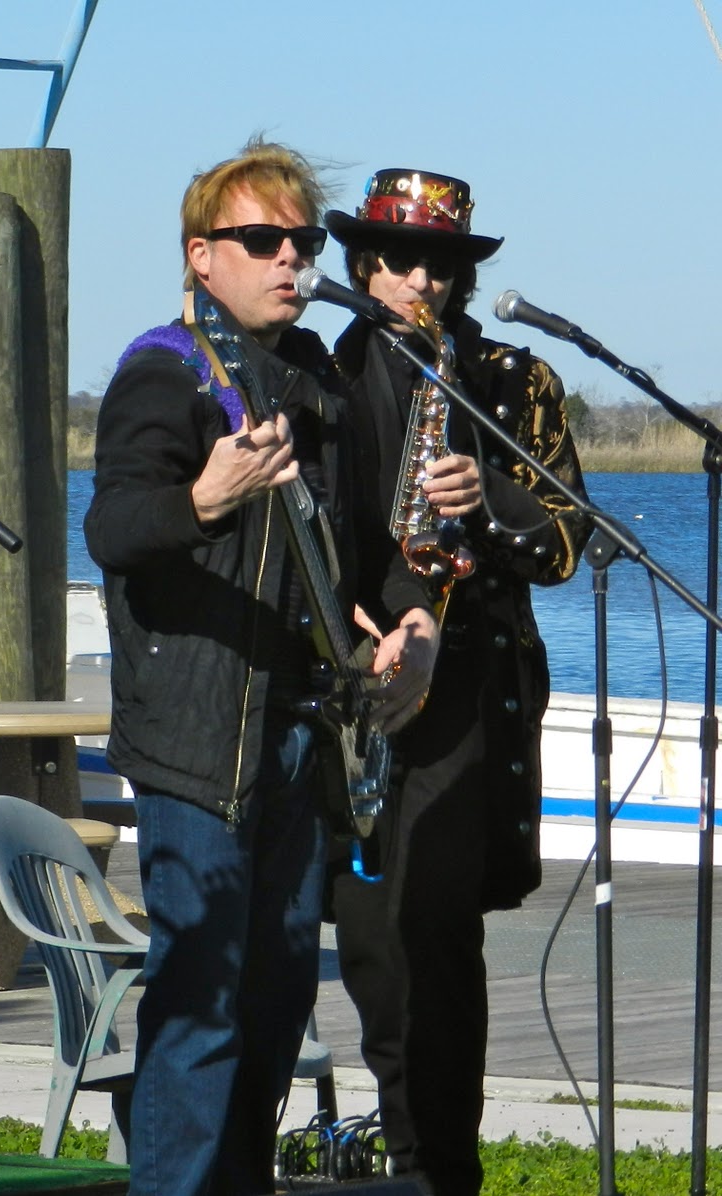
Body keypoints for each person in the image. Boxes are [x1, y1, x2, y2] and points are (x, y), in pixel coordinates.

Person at [82, 137, 439, 1195]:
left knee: (279, 996)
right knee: (201, 996)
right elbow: (111, 526)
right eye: (261, 239)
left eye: (303, 239)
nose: (290, 257)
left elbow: (365, 554)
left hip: (302, 734)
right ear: (203, 256)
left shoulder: (314, 378)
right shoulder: (164, 370)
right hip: (197, 741)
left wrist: (408, 624)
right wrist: (202, 498)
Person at [324, 168, 589, 1196]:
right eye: (401, 260)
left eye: (444, 264)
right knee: (369, 946)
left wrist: (493, 501)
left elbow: (566, 543)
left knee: (435, 939)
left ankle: (440, 1168)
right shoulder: (320, 370)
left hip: (467, 689)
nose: (422, 280)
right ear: (364, 265)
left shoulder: (514, 380)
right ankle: (396, 1154)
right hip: (348, 678)